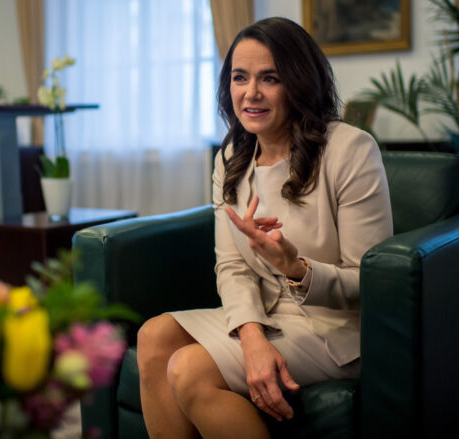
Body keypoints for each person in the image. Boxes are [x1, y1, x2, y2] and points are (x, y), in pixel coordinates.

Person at [136, 17, 393, 439]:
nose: (250, 92)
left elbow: (374, 282)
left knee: (188, 369)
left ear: (298, 83)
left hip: (336, 329)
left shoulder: (350, 149)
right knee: (153, 336)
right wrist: (252, 339)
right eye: (240, 77)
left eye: (269, 78)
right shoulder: (230, 158)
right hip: (265, 316)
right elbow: (232, 267)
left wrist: (297, 269)